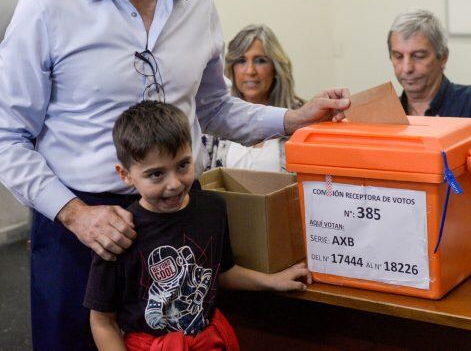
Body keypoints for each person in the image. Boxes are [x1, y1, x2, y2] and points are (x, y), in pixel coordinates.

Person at [0, 0, 348, 350]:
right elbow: (2, 135)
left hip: (178, 219)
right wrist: (74, 214)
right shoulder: (45, 8)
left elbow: (213, 109)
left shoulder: (199, 5)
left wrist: (291, 118)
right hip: (81, 232)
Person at [85, 101, 310, 350]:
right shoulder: (118, 233)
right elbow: (102, 320)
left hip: (207, 339)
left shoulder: (213, 207)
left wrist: (271, 281)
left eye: (183, 165)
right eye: (156, 174)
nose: (174, 184)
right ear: (125, 175)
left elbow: (222, 271)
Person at [387, 10, 471, 215]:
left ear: (443, 57)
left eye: (419, 56)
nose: (406, 68)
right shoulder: (383, 115)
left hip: (462, 224)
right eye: (397, 56)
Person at [203, 24, 305, 172]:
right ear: (232, 67)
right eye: (241, 61)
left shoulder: (300, 117)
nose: (250, 71)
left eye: (260, 61)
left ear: (275, 68)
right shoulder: (215, 115)